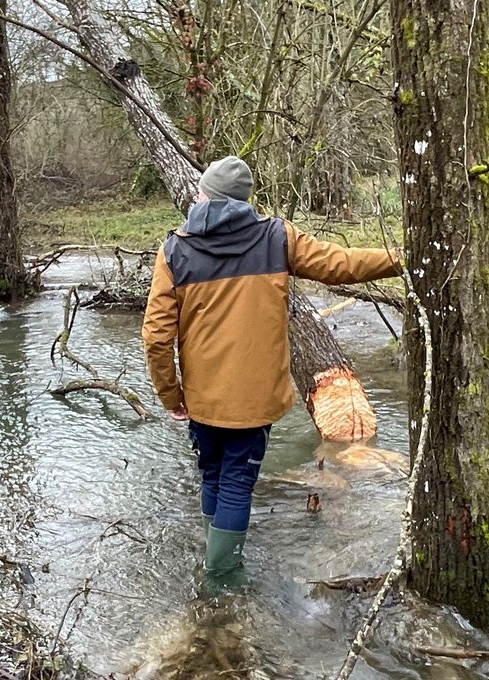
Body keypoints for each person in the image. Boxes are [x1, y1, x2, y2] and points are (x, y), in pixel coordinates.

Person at [141, 156, 403, 583]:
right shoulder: (277, 238)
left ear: (207, 197)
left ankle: (215, 557)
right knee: (237, 482)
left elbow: (156, 337)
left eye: (201, 191)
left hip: (202, 399)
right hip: (254, 400)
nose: (197, 196)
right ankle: (222, 576)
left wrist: (171, 396)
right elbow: (341, 264)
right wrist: (401, 258)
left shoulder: (175, 250)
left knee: (213, 472)